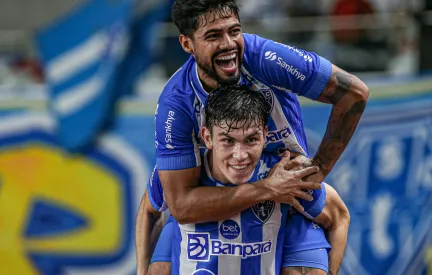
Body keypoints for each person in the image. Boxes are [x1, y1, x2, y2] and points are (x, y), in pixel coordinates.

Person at [136, 0, 368, 274]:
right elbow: (177, 206)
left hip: (285, 192)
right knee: (161, 267)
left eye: (234, 31)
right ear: (187, 44)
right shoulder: (175, 103)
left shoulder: (266, 58)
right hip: (223, 194)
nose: (229, 44)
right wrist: (267, 189)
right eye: (213, 35)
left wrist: (315, 173)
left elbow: (354, 93)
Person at [145, 85, 350, 274]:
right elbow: (147, 212)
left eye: (251, 140)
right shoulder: (182, 172)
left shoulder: (283, 174)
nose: (240, 155)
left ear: (265, 136)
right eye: (228, 140)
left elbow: (339, 216)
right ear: (207, 137)